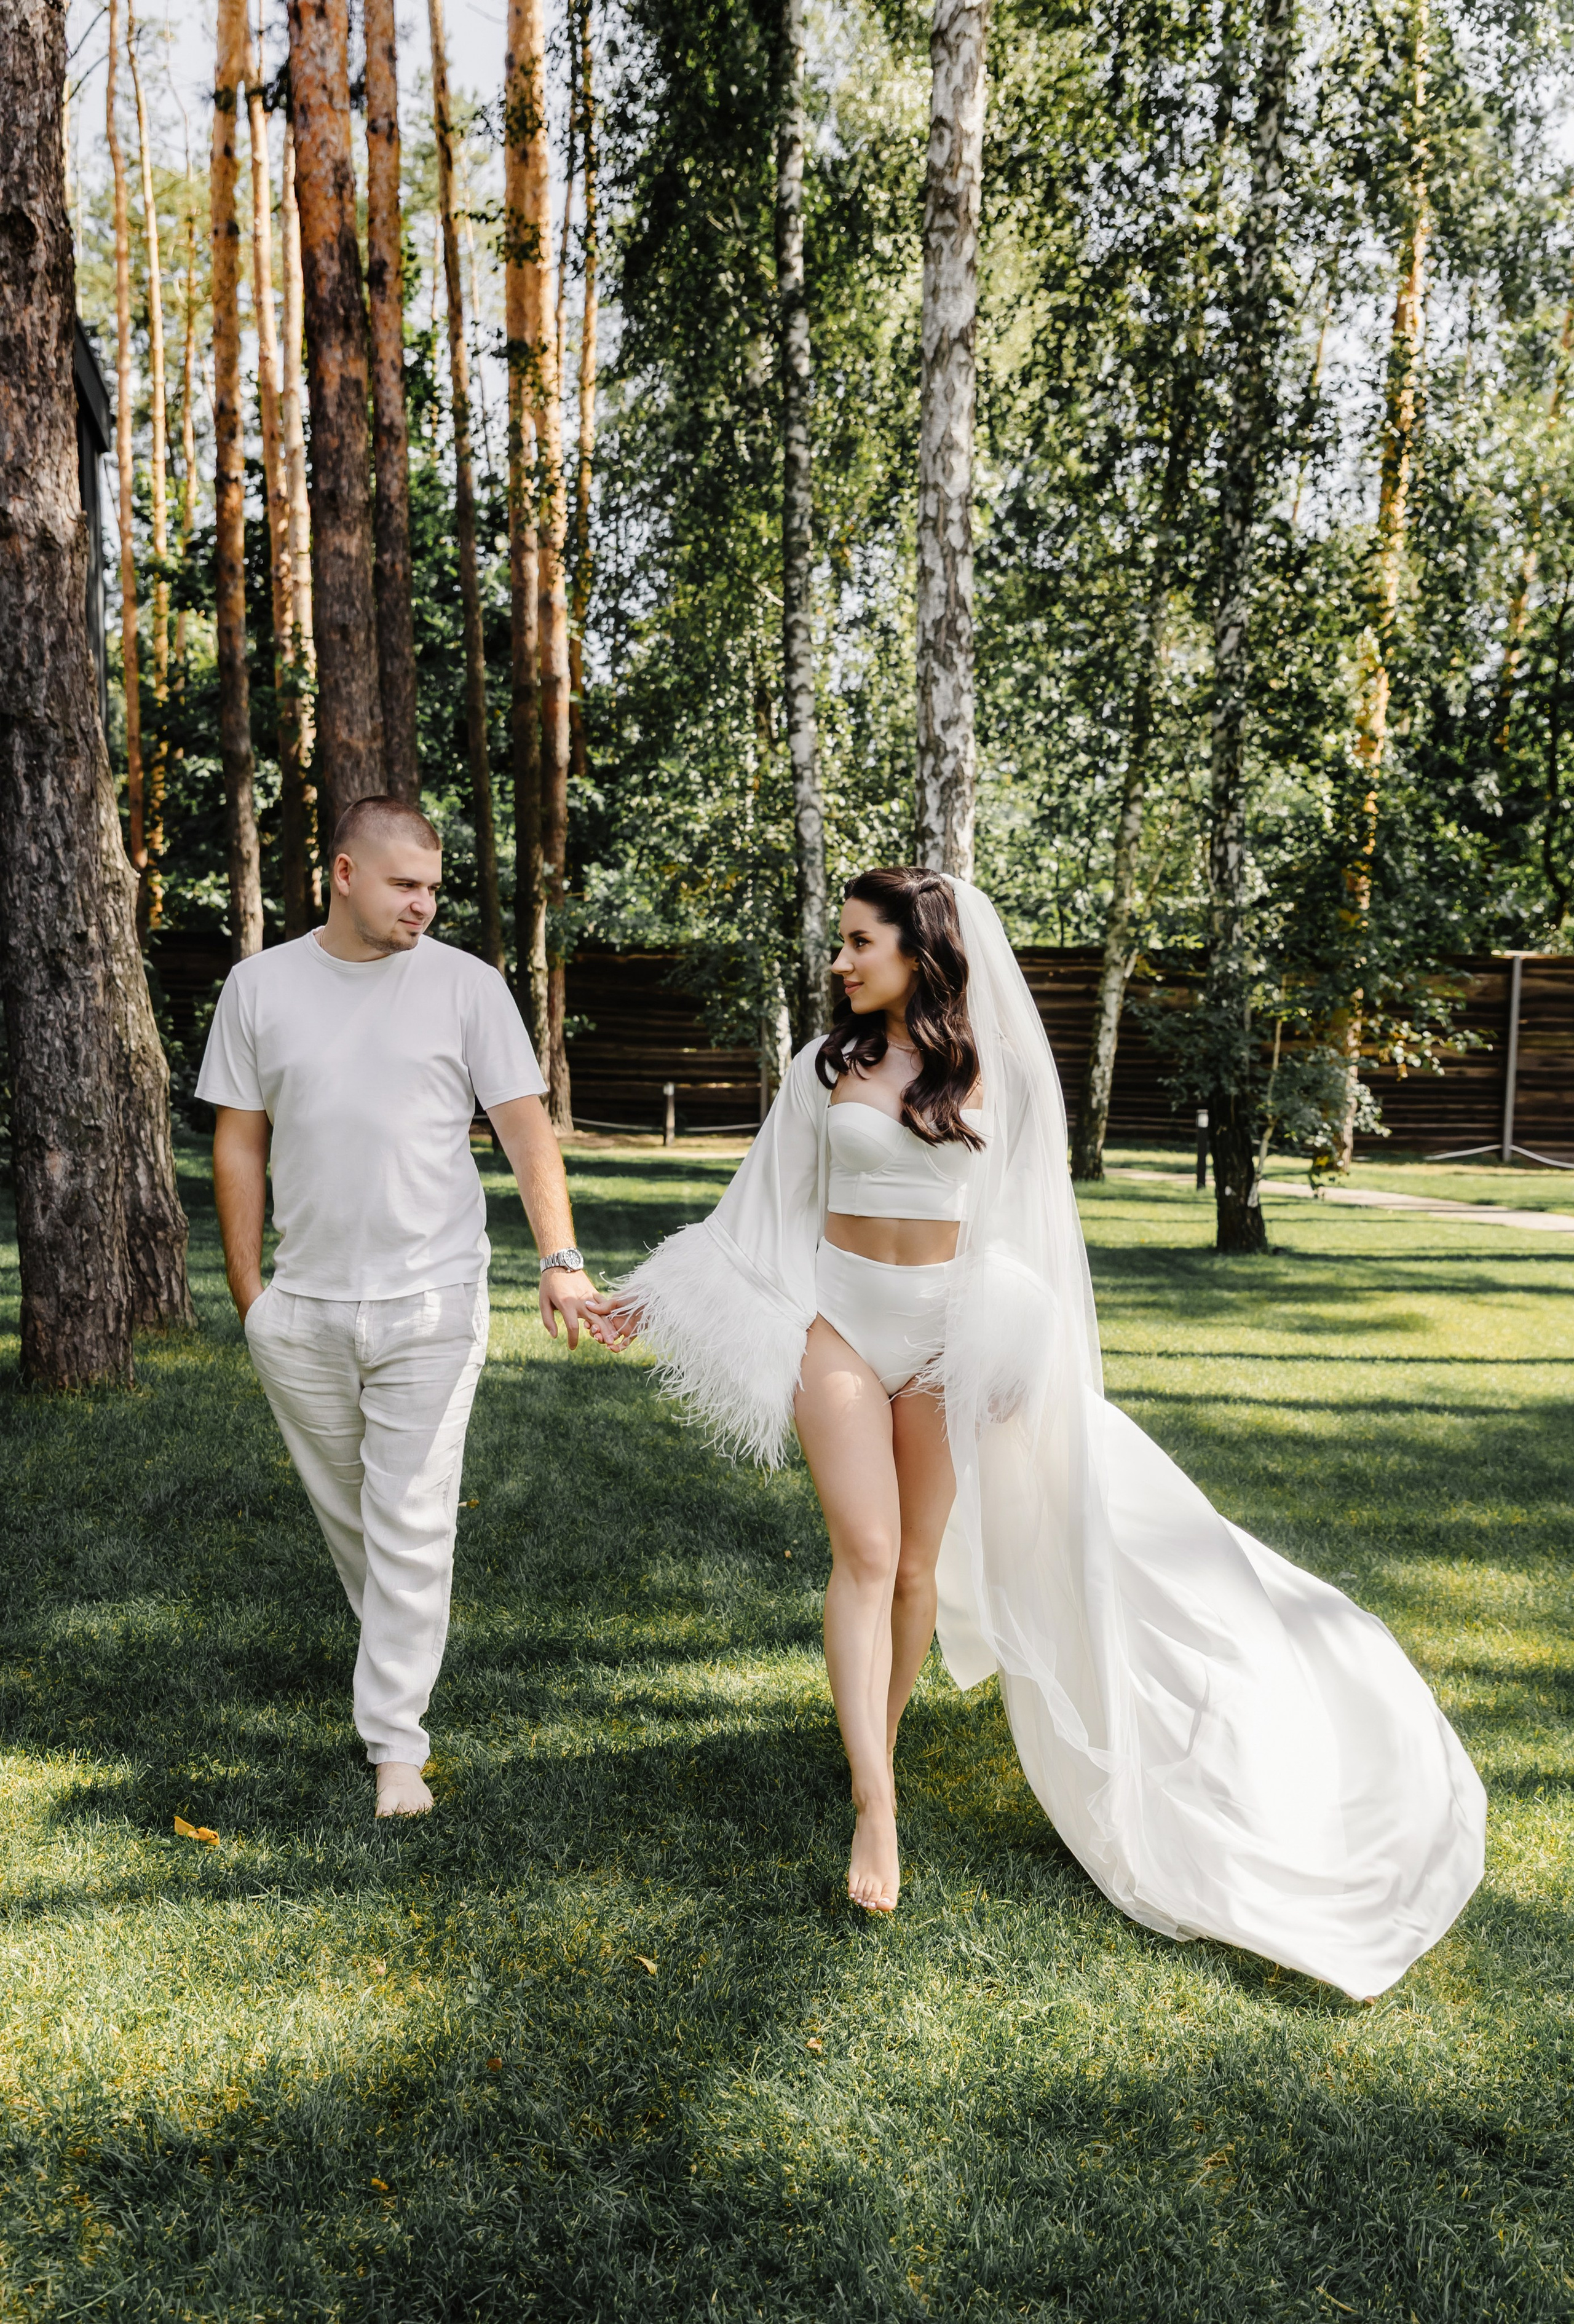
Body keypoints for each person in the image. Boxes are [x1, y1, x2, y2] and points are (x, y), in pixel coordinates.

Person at [588, 869, 1487, 1998]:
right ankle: (876, 1803)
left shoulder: (996, 1076)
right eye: (841, 943)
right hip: (840, 1326)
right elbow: (758, 1203)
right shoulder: (827, 1066)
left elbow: (1025, 1228)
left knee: (918, 1564)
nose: (841, 961)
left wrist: (1016, 1348)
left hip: (948, 1335)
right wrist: (652, 1297)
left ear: (921, 952)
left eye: (861, 942)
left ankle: (877, 1737)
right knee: (867, 1552)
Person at [198, 796, 597, 1818]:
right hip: (303, 1308)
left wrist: (560, 1258)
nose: (424, 904)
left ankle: (395, 1749)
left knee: (411, 1522)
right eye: (404, 885)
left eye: (433, 888)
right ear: (344, 874)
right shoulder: (259, 986)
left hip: (433, 1300)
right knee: (359, 1525)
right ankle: (396, 1670)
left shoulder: (468, 986)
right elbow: (239, 1139)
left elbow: (526, 1130)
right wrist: (251, 1296)